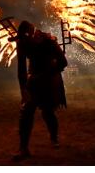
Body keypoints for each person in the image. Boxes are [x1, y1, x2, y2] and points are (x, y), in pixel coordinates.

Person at [10, 20, 67, 160]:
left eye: (25, 37)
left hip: (50, 79)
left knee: (48, 112)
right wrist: (23, 89)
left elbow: (63, 62)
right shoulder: (22, 42)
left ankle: (54, 138)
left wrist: (47, 73)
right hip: (34, 80)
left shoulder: (48, 41)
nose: (23, 41)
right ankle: (23, 149)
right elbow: (21, 69)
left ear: (32, 34)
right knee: (26, 112)